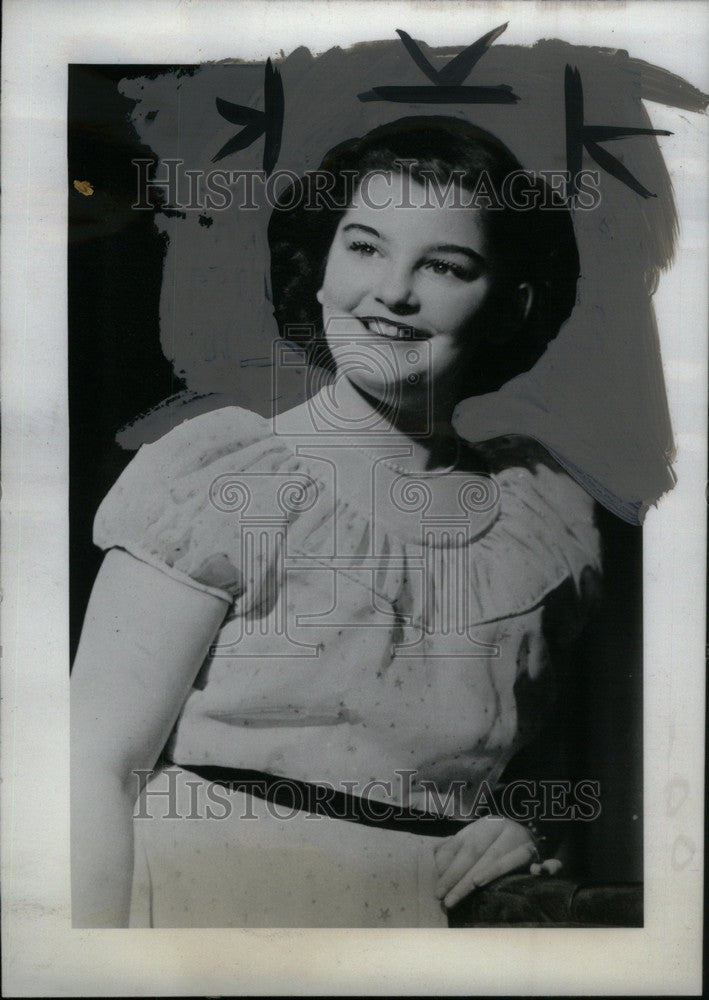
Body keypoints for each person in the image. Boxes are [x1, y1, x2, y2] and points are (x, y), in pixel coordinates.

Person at [71, 116, 601, 928]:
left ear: (508, 303)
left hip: (424, 934)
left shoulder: (542, 520)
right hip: (204, 918)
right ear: (317, 269)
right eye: (363, 247)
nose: (392, 292)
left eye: (445, 265)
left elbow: (557, 779)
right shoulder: (225, 475)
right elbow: (90, 772)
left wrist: (524, 829)